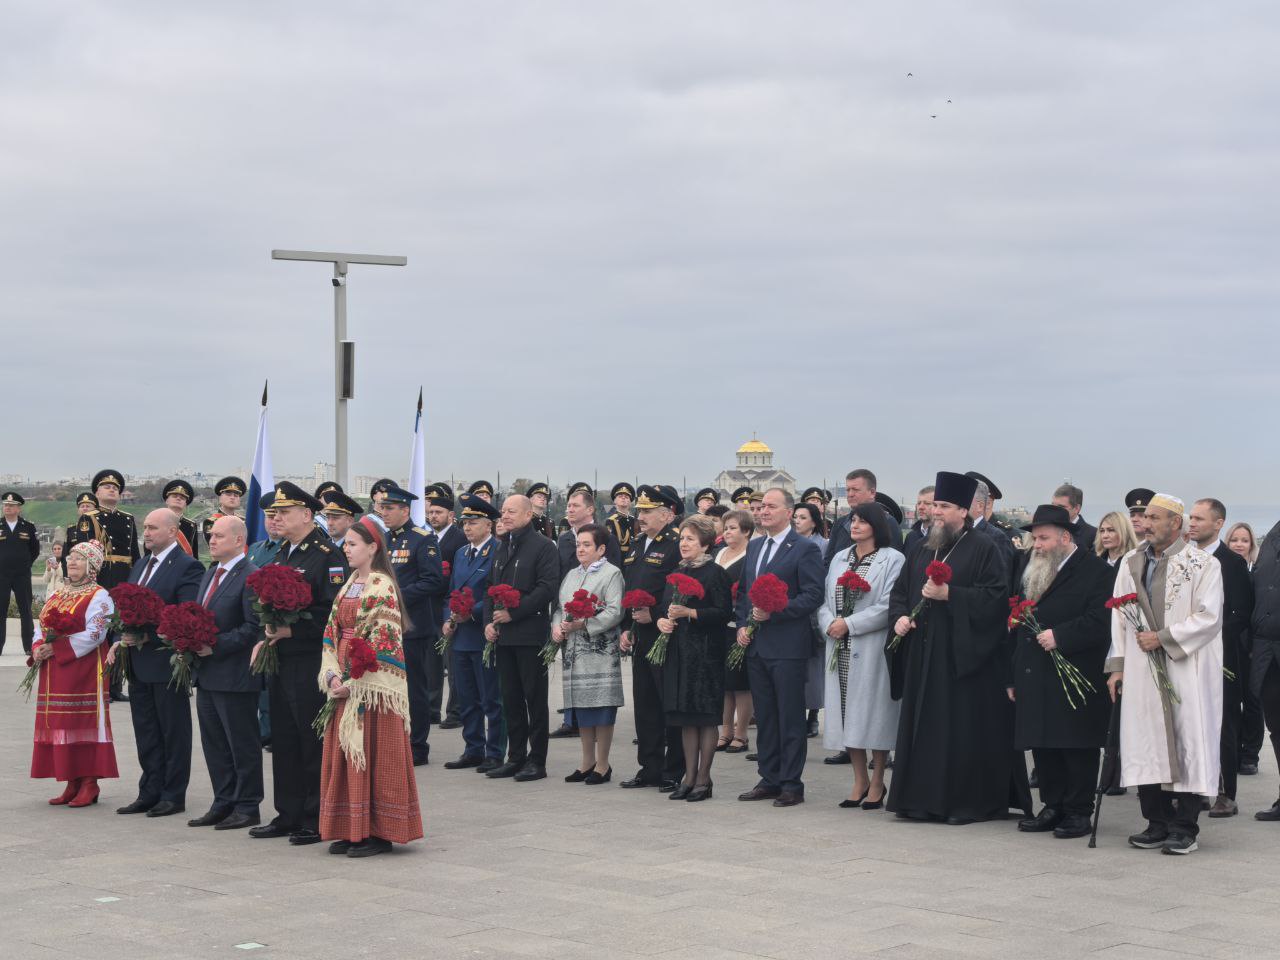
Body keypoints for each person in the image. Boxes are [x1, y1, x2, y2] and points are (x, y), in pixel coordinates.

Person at [887, 471, 1031, 825]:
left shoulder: (985, 547)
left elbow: (996, 599)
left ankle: (964, 804)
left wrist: (951, 594)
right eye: (935, 505)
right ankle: (918, 801)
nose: (936, 511)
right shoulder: (922, 547)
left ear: (963, 511)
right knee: (922, 728)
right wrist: (900, 617)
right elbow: (900, 592)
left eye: (944, 506)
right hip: (923, 653)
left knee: (956, 732)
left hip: (961, 658)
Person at [1106, 494, 1223, 855]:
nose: (1146, 523)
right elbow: (1118, 617)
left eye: (1154, 517)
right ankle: (1156, 822)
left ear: (1175, 523)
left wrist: (1164, 637)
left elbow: (1209, 617)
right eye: (1144, 517)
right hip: (1141, 667)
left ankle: (1184, 827)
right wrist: (1117, 666)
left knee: (1189, 740)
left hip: (1186, 666)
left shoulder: (1203, 564)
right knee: (1145, 739)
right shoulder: (1131, 562)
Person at [248, 482, 348, 847]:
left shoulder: (327, 555)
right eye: (274, 512)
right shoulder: (281, 554)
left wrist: (294, 629)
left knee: (310, 738)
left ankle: (315, 816)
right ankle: (287, 813)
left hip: (310, 659)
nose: (276, 517)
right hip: (282, 658)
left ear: (306, 515)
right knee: (284, 737)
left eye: (284, 512)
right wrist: (267, 632)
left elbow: (333, 613)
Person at [318, 516, 423, 857]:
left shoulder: (382, 586)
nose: (346, 549)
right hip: (345, 674)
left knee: (375, 754)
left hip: (372, 686)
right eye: (346, 544)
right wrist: (332, 674)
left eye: (352, 544)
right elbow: (332, 631)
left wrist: (356, 682)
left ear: (372, 547)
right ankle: (351, 829)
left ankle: (378, 832)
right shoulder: (349, 584)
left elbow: (384, 643)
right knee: (347, 752)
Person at [1008, 505, 1111, 839]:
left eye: (1043, 538)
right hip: (1034, 671)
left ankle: (1078, 811)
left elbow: (1102, 621)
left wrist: (1061, 636)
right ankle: (1052, 806)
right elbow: (1018, 621)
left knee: (1075, 745)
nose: (1037, 545)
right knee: (1043, 743)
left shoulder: (1096, 571)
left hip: (1076, 673)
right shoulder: (1032, 568)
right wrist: (1012, 675)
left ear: (1065, 538)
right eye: (1035, 538)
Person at [109, 509, 204, 818]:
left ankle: (173, 795)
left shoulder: (188, 567)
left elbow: (186, 613)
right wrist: (120, 637)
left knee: (172, 731)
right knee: (146, 731)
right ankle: (149, 791)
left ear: (173, 531)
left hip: (166, 663)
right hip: (137, 663)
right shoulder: (140, 564)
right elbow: (125, 609)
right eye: (145, 527)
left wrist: (147, 635)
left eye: (153, 528)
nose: (146, 532)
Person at [734, 488, 825, 807]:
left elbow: (813, 595)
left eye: (771, 507)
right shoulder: (755, 546)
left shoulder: (804, 548)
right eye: (761, 507)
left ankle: (791, 783)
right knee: (767, 716)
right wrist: (742, 623)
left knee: (789, 716)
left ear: (789, 512)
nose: (763, 511)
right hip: (757, 644)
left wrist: (777, 611)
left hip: (788, 645)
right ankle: (769, 777)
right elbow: (744, 593)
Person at [818, 502, 905, 810]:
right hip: (839, 645)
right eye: (853, 520)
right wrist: (830, 623)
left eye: (862, 521)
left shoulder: (892, 559)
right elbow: (825, 599)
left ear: (876, 527)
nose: (854, 525)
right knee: (846, 711)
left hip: (870, 646)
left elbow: (888, 604)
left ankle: (878, 779)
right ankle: (859, 779)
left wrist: (850, 624)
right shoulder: (840, 557)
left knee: (873, 713)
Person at [29, 539, 119, 808]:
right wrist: (38, 647)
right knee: (62, 724)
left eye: (79, 558)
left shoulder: (100, 595)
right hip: (56, 669)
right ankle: (71, 781)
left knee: (84, 723)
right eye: (71, 557)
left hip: (84, 669)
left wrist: (56, 648)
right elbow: (41, 625)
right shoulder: (59, 592)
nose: (72, 562)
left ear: (92, 566)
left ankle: (89, 782)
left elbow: (96, 633)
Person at [189, 516, 263, 831]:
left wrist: (215, 646)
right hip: (207, 674)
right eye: (210, 535)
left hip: (235, 675)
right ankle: (223, 802)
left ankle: (247, 806)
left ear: (238, 540)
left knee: (241, 744)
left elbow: (253, 627)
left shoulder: (251, 575)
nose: (212, 540)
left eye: (219, 535)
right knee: (215, 744)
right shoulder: (210, 573)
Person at [653, 514, 732, 802]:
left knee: (705, 717)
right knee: (686, 718)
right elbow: (664, 606)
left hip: (705, 655)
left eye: (690, 539)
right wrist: (662, 620)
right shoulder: (677, 571)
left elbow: (723, 613)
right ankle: (688, 776)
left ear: (705, 544)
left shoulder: (715, 573)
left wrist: (691, 613)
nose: (683, 543)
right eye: (682, 538)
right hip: (678, 652)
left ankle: (704, 778)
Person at [483, 494, 560, 782]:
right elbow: (489, 587)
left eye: (511, 511)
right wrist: (489, 621)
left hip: (529, 634)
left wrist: (513, 613)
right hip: (503, 636)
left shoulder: (543, 546)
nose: (505, 516)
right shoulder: (502, 546)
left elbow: (547, 588)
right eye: (503, 511)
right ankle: (515, 757)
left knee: (534, 699)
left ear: (528, 515)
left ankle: (536, 760)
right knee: (510, 698)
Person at [1187, 498, 1255, 818]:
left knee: (1223, 723)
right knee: (1192, 723)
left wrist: (1206, 635)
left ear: (1218, 524)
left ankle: (1226, 793)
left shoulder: (1232, 563)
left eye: (1200, 519)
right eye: (1191, 518)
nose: (1192, 523)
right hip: (1186, 653)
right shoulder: (1184, 560)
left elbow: (1241, 613)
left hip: (1222, 656)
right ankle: (1198, 788)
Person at [618, 486, 685, 790]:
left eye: (647, 511)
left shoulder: (675, 545)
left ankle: (673, 769)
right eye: (640, 511)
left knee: (667, 703)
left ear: (667, 515)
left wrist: (655, 613)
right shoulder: (636, 545)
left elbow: (678, 590)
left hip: (665, 634)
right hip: (640, 634)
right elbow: (630, 586)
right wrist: (626, 627)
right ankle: (649, 767)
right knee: (645, 705)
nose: (641, 517)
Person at [551, 522, 625, 784]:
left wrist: (584, 624)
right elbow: (559, 607)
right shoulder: (572, 574)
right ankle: (586, 761)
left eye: (586, 545)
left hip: (600, 653)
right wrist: (556, 627)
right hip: (574, 652)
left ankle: (603, 764)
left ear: (601, 549)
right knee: (582, 708)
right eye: (578, 545)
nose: (580, 549)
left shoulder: (611, 573)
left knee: (601, 708)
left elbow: (615, 610)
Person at [375, 485, 444, 766]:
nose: (384, 512)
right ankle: (395, 741)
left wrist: (396, 596)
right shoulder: (383, 540)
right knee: (388, 686)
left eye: (389, 508)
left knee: (413, 688)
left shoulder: (422, 539)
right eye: (382, 507)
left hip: (411, 627)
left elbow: (432, 581)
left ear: (405, 510)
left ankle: (417, 746)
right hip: (384, 626)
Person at [439, 494, 505, 772]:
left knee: (490, 698)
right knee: (467, 698)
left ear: (489, 525)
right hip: (461, 636)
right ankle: (473, 748)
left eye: (474, 522)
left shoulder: (498, 551)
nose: (467, 527)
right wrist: (448, 618)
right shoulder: (461, 553)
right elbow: (451, 592)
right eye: (465, 522)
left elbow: (495, 594)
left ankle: (495, 752)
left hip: (482, 632)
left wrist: (472, 612)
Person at [425, 484, 467, 729]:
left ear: (451, 515)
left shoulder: (459, 539)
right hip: (429, 607)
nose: (433, 517)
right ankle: (432, 709)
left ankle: (455, 711)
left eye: (438, 513)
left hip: (450, 606)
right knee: (431, 663)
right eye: (431, 512)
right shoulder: (427, 537)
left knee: (452, 663)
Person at [716, 509, 753, 753]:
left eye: (732, 528)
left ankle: (741, 733)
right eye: (726, 528)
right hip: (718, 625)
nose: (727, 532)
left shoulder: (751, 555)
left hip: (738, 625)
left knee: (740, 683)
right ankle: (725, 731)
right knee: (724, 683)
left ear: (746, 531)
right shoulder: (720, 552)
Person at [0, 491, 40, 655]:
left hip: (21, 575)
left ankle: (29, 646)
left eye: (11, 505)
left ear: (18, 508)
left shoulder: (28, 527)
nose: (7, 508)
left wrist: (25, 564)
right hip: (1, 575)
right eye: (5, 505)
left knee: (26, 610)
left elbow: (35, 550)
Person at [556, 486, 622, 581]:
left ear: (590, 510)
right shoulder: (563, 539)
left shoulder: (607, 538)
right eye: (569, 506)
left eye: (575, 506)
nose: (570, 510)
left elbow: (614, 577)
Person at [824, 469, 877, 565]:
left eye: (855, 490)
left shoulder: (887, 523)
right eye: (848, 490)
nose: (850, 494)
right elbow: (828, 562)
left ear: (872, 492)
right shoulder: (840, 523)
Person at [162, 479, 201, 560]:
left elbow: (194, 555)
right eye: (174, 496)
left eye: (182, 498)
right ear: (167, 500)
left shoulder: (191, 525)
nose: (178, 499)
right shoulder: (157, 520)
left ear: (186, 504)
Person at [1094, 511, 1139, 580]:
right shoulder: (1096, 562)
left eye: (1111, 530)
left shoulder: (1135, 561)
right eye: (1102, 531)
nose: (1105, 536)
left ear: (1124, 532)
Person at [202, 476, 246, 543]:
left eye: (236, 495)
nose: (232, 497)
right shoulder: (211, 522)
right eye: (228, 494)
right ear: (220, 498)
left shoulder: (243, 521)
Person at [1052, 484, 1096, 551]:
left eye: (1061, 507)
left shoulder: (1093, 535)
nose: (1055, 510)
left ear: (1076, 508)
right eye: (1053, 506)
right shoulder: (1047, 530)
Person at [606, 482, 637, 562]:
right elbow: (611, 545)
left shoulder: (635, 520)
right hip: (620, 559)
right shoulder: (611, 521)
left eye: (626, 497)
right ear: (615, 501)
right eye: (620, 496)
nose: (623, 498)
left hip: (635, 558)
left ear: (630, 501)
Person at [903, 486, 934, 559]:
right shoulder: (911, 537)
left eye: (927, 503)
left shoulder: (943, 537)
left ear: (937, 506)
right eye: (919, 503)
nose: (921, 507)